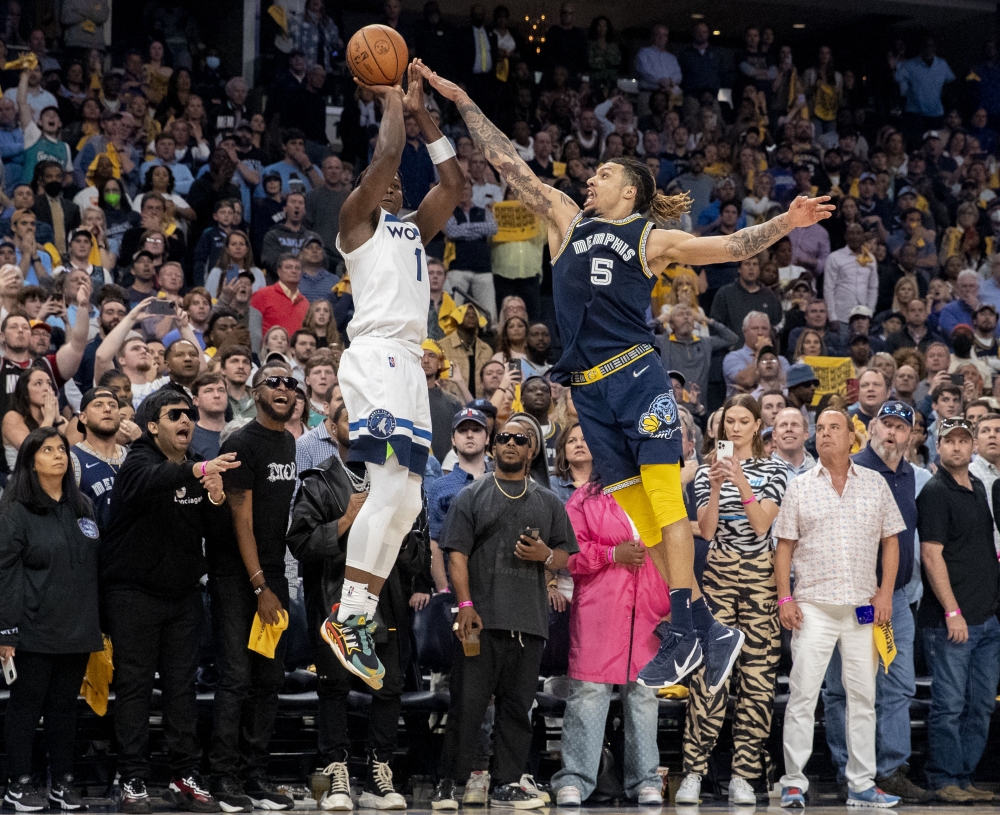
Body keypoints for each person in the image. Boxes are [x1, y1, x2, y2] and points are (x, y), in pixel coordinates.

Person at [420, 59, 832, 689]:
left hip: (637, 373)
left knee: (666, 495)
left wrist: (788, 222)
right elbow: (507, 162)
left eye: (606, 174)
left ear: (631, 192)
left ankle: (692, 623)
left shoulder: (648, 237)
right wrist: (458, 96)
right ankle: (704, 630)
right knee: (636, 508)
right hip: (587, 389)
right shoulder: (565, 220)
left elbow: (730, 248)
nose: (593, 177)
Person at [324, 59, 463, 686]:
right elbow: (386, 157)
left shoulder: (411, 230)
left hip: (409, 362)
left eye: (398, 186)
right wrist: (390, 101)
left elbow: (454, 184)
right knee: (387, 488)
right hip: (375, 351)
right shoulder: (356, 226)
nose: (393, 188)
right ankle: (348, 614)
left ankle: (357, 610)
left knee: (408, 497)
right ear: (366, 188)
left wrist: (423, 113)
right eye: (382, 183)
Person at [431, 416, 579, 810]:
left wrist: (546, 556)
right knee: (467, 706)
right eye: (504, 438)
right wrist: (464, 604)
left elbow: (566, 554)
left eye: (521, 439)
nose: (511, 443)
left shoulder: (548, 500)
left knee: (517, 710)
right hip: (479, 619)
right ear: (494, 448)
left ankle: (507, 783)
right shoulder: (471, 495)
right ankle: (451, 782)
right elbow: (455, 554)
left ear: (532, 451)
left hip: (528, 621)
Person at [101, 390, 238, 814]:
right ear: (152, 425)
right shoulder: (137, 460)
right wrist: (197, 470)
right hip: (132, 594)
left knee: (182, 689)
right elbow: (147, 482)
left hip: (182, 596)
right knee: (135, 688)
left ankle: (184, 774)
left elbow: (215, 535)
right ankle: (133, 777)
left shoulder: (198, 466)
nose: (186, 420)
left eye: (190, 415)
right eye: (175, 414)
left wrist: (216, 498)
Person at [774, 407, 904, 809]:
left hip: (863, 606)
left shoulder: (876, 484)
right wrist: (784, 597)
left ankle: (862, 785)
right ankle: (794, 782)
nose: (826, 434)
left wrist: (885, 593)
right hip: (812, 605)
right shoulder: (799, 486)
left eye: (835, 428)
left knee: (863, 697)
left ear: (853, 437)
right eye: (822, 429)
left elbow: (892, 541)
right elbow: (784, 548)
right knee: (802, 695)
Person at [288, 402, 414, 812]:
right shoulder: (319, 479)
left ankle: (380, 772)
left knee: (389, 686)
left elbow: (414, 546)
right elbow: (301, 544)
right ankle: (336, 770)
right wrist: (345, 520)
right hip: (334, 600)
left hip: (387, 599)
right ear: (331, 426)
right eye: (351, 421)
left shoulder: (397, 480)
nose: (360, 429)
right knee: (335, 688)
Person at [676, 395, 788, 806]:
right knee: (711, 672)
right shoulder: (707, 472)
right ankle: (693, 771)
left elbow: (761, 524)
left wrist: (740, 480)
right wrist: (718, 483)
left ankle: (745, 774)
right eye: (729, 422)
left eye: (744, 421)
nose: (735, 428)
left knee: (758, 679)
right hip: (719, 572)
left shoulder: (777, 469)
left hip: (761, 573)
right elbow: (706, 531)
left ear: (758, 425)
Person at [822, 401, 931, 803]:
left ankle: (890, 769)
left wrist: (890, 591)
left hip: (895, 597)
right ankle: (846, 770)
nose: (892, 433)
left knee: (898, 685)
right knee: (842, 687)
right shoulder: (849, 469)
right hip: (847, 594)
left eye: (901, 428)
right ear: (869, 428)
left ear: (911, 436)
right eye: (886, 425)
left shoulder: (912, 477)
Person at [206, 364, 299, 810]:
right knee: (237, 678)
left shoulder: (289, 442)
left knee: (268, 679)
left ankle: (254, 776)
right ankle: (223, 778)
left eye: (290, 383)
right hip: (237, 576)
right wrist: (259, 583)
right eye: (274, 382)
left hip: (273, 574)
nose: (284, 388)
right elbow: (240, 520)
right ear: (256, 392)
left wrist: (272, 580)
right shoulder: (242, 442)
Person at [550, 473, 669, 807]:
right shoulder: (585, 499)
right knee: (588, 694)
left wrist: (675, 602)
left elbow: (675, 549)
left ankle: (645, 780)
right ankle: (575, 779)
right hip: (600, 608)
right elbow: (567, 555)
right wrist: (611, 554)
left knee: (644, 696)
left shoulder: (657, 492)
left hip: (649, 608)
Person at [0, 427, 102, 814]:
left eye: (61, 449)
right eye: (47, 450)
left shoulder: (83, 507)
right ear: (30, 460)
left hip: (77, 626)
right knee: (26, 707)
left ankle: (62, 781)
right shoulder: (15, 512)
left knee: (63, 709)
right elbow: (5, 574)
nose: (58, 455)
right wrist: (5, 630)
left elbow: (92, 566)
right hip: (31, 629)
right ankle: (19, 783)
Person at [917, 415, 1000, 803]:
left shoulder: (980, 486)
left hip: (986, 617)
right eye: (949, 440)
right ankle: (943, 777)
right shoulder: (935, 491)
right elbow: (931, 556)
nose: (956, 446)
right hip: (951, 621)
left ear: (972, 447)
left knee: (980, 703)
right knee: (949, 705)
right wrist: (953, 612)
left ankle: (964, 777)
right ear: (938, 445)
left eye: (963, 440)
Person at [71, 386, 126, 536]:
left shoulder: (133, 456)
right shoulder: (72, 459)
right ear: (83, 417)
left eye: (113, 405)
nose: (107, 409)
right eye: (98, 405)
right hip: (96, 553)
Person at [191, 373, 228, 460]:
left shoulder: (239, 432)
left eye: (221, 390)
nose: (217, 395)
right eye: (208, 390)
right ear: (196, 400)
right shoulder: (188, 435)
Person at [771, 407, 815, 478]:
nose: (789, 429)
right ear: (774, 435)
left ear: (806, 434)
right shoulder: (760, 471)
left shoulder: (820, 472)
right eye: (783, 425)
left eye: (794, 425)